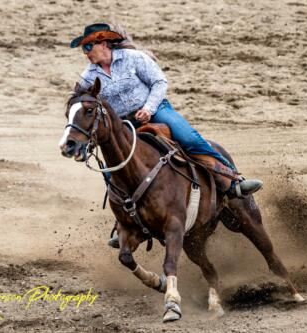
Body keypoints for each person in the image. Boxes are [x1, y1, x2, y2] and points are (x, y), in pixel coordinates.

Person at [70, 23, 263, 248]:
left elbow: (159, 81)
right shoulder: (88, 76)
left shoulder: (133, 58)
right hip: (123, 124)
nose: (86, 53)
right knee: (117, 171)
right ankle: (123, 222)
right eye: (84, 49)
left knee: (189, 139)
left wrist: (149, 109)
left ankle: (230, 180)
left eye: (88, 47)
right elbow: (84, 106)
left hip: (157, 110)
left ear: (103, 43)